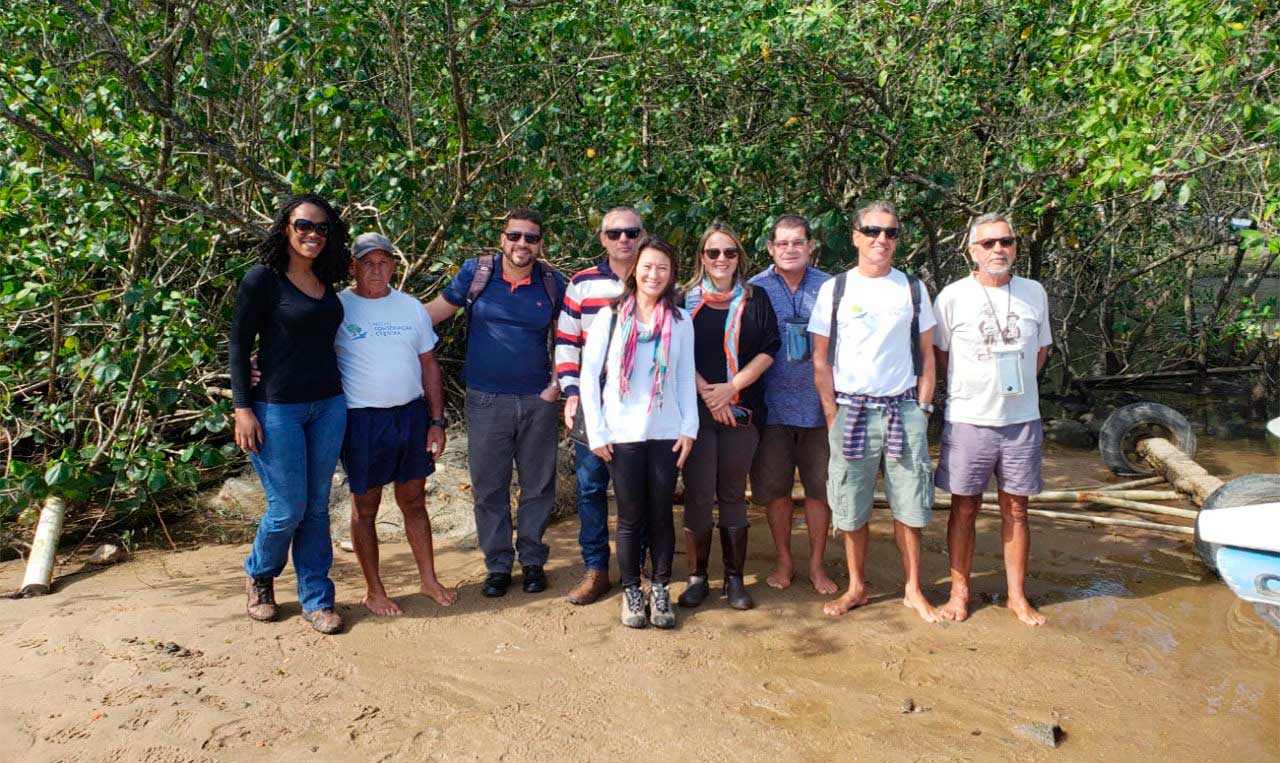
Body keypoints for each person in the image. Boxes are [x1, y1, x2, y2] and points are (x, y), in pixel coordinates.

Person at [809, 200, 942, 624]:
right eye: (871, 231)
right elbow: (820, 360)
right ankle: (856, 587)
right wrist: (832, 413)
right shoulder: (837, 289)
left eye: (889, 232)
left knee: (911, 503)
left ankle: (913, 589)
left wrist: (921, 408)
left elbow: (927, 355)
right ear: (855, 236)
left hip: (903, 409)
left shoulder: (913, 288)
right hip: (851, 410)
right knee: (850, 504)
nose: (881, 240)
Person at [426, 209, 566, 598]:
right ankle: (499, 565)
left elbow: (569, 337)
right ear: (502, 238)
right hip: (485, 400)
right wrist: (378, 324)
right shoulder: (476, 273)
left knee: (538, 485)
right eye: (515, 236)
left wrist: (557, 385)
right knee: (490, 487)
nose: (523, 244)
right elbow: (433, 315)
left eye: (532, 238)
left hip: (538, 400)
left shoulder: (552, 282)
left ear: (541, 244)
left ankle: (534, 560)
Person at [231, 194, 349, 635]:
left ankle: (317, 599)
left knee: (317, 508)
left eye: (321, 227)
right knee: (287, 508)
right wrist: (243, 408)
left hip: (329, 405)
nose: (312, 234)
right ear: (286, 227)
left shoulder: (326, 280)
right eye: (303, 225)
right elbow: (239, 345)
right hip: (275, 407)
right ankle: (260, 573)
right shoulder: (262, 280)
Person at [933, 213, 1052, 626]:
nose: (998, 249)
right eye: (988, 243)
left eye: (1006, 241)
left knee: (1016, 509)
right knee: (964, 508)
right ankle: (958, 593)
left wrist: (1018, 387)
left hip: (1022, 419)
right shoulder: (951, 296)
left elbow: (1041, 350)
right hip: (969, 417)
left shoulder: (1034, 292)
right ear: (972, 251)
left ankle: (1017, 597)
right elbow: (941, 357)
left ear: (1016, 246)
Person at [337, 233, 458, 616]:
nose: (377, 270)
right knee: (366, 507)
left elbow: (429, 365)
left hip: (410, 415)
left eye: (384, 262)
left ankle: (428, 578)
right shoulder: (337, 307)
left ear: (393, 264)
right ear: (352, 266)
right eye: (368, 262)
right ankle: (374, 589)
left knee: (413, 500)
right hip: (361, 420)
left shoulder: (409, 308)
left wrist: (436, 421)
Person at [579, 237, 697, 628]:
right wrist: (597, 433)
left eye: (662, 267)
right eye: (647, 266)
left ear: (672, 274)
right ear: (635, 270)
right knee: (629, 517)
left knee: (662, 514)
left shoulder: (679, 322)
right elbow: (587, 377)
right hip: (622, 433)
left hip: (666, 432)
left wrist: (689, 428)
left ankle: (660, 588)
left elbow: (683, 378)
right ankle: (632, 590)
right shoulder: (610, 317)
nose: (654, 274)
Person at [679, 222, 780, 611]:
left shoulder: (757, 299)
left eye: (729, 253)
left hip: (743, 410)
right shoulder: (684, 302)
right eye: (713, 253)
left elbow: (770, 347)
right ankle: (698, 577)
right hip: (696, 412)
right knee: (699, 493)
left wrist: (730, 389)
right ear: (701, 258)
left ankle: (735, 580)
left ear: (740, 257)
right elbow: (676, 353)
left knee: (734, 493)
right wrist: (710, 394)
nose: (721, 260)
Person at [556, 207, 645, 605]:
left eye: (631, 232)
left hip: (639, 404)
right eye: (615, 233)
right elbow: (565, 341)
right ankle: (596, 569)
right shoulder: (582, 283)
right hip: (591, 400)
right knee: (591, 488)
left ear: (642, 235)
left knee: (635, 488)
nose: (623, 239)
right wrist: (571, 393)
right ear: (602, 238)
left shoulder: (655, 278)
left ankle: (637, 567)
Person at [747, 214, 838, 595]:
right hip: (770, 410)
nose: (790, 249)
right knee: (775, 491)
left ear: (810, 246)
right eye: (782, 243)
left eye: (797, 242)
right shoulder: (754, 288)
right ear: (770, 248)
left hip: (820, 408)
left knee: (820, 491)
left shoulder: (831, 287)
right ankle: (784, 560)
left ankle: (817, 564)